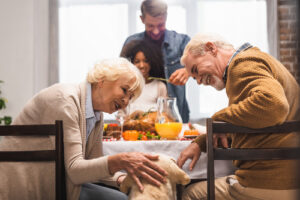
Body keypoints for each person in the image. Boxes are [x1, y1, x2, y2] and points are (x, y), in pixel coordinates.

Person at [0, 58, 168, 200]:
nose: (125, 101)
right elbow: (75, 171)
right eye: (124, 90)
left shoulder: (96, 114)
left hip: (60, 181)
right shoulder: (65, 100)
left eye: (130, 98)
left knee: (128, 193)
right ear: (102, 80)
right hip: (29, 186)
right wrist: (120, 160)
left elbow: (93, 167)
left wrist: (121, 178)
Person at [177, 33, 300, 199]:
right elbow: (253, 122)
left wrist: (218, 118)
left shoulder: (242, 64)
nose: (198, 81)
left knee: (189, 193)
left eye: (195, 70)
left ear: (211, 48)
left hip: (267, 182)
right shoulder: (254, 59)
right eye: (194, 78)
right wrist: (201, 142)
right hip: (286, 180)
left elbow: (273, 105)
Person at [121, 0, 190, 122]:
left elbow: (202, 70)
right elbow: (121, 78)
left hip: (175, 114)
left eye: (160, 25)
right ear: (142, 19)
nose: (156, 31)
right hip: (135, 118)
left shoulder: (181, 41)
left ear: (166, 17)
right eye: (150, 26)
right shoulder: (131, 43)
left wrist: (188, 70)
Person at [121, 39, 167, 113]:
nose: (142, 65)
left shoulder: (160, 86)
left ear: (152, 62)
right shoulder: (126, 87)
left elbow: (164, 114)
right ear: (131, 63)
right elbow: (121, 114)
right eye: (137, 61)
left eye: (146, 61)